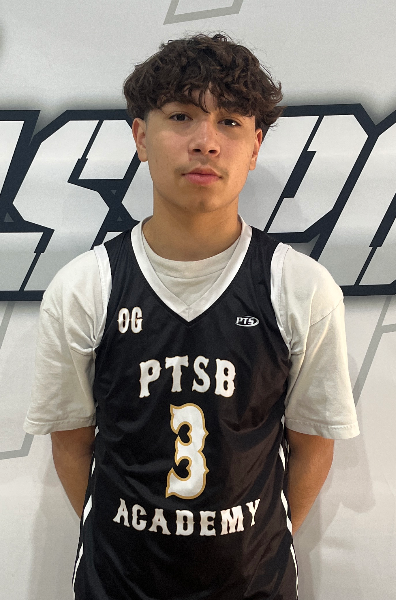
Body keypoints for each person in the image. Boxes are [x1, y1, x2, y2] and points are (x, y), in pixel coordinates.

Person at [24, 33, 359, 600]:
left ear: (255, 146)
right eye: (181, 116)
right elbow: (73, 444)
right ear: (141, 136)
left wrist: (248, 546)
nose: (206, 142)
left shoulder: (300, 287)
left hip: (254, 585)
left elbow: (312, 448)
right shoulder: (84, 287)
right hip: (118, 583)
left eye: (230, 122)